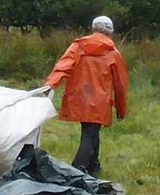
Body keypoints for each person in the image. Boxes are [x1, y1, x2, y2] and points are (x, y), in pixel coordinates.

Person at [41, 16, 130, 177]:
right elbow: (120, 85)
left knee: (90, 131)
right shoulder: (112, 53)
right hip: (99, 102)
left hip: (79, 98)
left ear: (93, 28)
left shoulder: (77, 47)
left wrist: (51, 84)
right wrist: (121, 110)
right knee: (90, 133)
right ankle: (77, 169)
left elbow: (62, 66)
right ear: (110, 32)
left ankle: (94, 167)